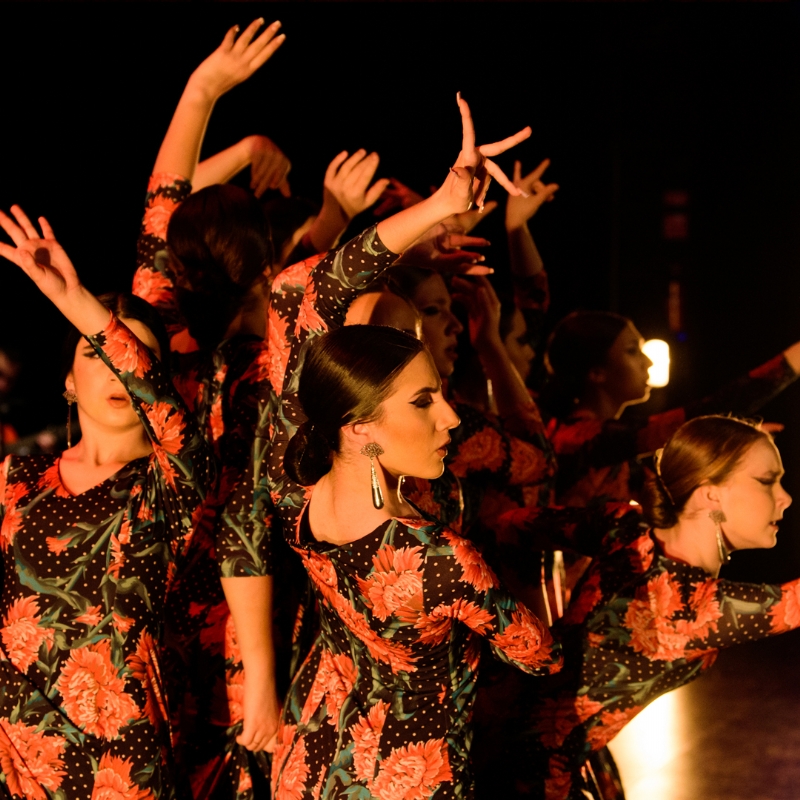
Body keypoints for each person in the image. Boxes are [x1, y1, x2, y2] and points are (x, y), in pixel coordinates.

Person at [267, 94, 562, 799]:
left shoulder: (290, 482)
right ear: (360, 418)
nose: (450, 420)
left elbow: (294, 292)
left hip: (313, 767)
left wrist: (440, 206)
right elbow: (538, 655)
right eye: (425, 401)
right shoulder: (441, 560)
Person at [0, 207, 213, 799]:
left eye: (128, 357)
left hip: (121, 767)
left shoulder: (173, 476)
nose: (115, 371)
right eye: (94, 353)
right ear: (67, 380)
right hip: (16, 758)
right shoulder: (14, 479)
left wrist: (75, 300)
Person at [492, 414, 800, 799]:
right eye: (767, 481)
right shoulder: (687, 605)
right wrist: (535, 634)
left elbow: (511, 524)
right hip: (536, 780)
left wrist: (542, 629)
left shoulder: (626, 527)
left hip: (554, 757)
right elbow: (509, 526)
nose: (785, 497)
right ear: (710, 493)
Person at [542, 311, 800, 509]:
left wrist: (732, 441)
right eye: (632, 351)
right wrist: (790, 364)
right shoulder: (578, 439)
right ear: (597, 372)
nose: (649, 361)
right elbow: (697, 417)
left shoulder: (613, 448)